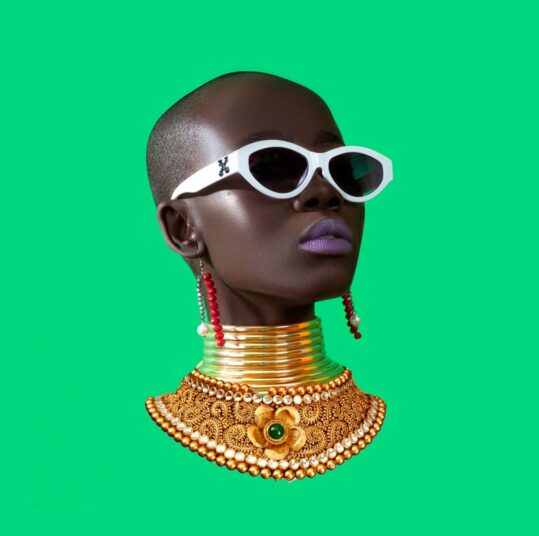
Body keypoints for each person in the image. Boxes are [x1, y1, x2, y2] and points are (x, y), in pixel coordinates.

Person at [143, 71, 391, 481]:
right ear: (182, 228)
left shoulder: (422, 432)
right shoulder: (121, 454)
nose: (325, 192)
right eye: (273, 167)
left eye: (342, 169)